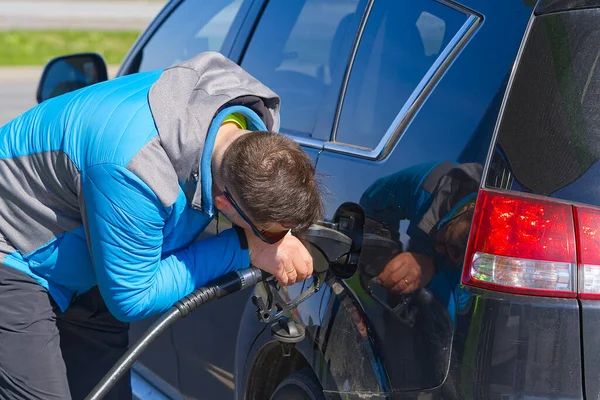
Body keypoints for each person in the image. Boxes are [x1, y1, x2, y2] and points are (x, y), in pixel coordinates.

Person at [0, 52, 323, 400]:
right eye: (271, 232)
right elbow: (132, 296)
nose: (281, 241)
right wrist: (245, 248)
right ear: (224, 204)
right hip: (14, 248)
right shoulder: (136, 168)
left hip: (87, 253)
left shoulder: (252, 128)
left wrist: (269, 234)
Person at [359, 161, 481, 299]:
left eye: (456, 255)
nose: (440, 249)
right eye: (448, 238)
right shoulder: (427, 183)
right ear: (467, 208)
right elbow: (371, 204)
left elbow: (462, 302)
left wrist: (433, 268)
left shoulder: (490, 263)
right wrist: (387, 255)